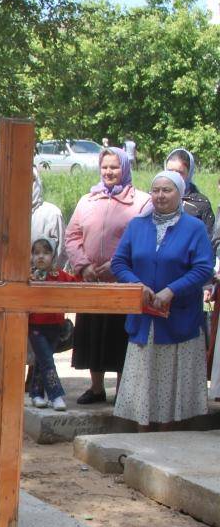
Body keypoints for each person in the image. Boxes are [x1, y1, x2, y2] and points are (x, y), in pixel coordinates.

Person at [111, 171, 213, 430]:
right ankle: (142, 438)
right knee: (143, 387)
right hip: (144, 320)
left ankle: (165, 440)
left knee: (169, 390)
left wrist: (172, 290)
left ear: (180, 193)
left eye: (167, 190)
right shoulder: (137, 225)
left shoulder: (194, 228)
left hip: (179, 319)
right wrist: (137, 285)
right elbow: (119, 262)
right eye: (155, 190)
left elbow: (204, 268)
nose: (160, 195)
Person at [64, 147, 150, 405]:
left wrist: (117, 265)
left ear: (125, 168)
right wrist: (83, 266)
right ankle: (96, 388)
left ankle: (123, 389)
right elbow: (72, 236)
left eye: (114, 167)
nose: (109, 172)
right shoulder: (87, 200)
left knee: (119, 335)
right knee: (92, 333)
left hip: (123, 282)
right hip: (91, 281)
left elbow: (143, 239)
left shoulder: (141, 202)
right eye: (105, 167)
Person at [28, 237, 77, 411]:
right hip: (35, 327)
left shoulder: (60, 276)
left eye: (46, 253)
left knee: (42, 360)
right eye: (36, 253)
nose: (41, 256)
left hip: (55, 326)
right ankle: (55, 395)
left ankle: (36, 393)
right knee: (47, 361)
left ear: (53, 255)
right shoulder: (28, 277)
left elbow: (76, 284)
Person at [0, 166, 67, 267]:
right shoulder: (1, 214)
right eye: (18, 180)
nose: (23, 186)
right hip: (7, 274)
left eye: (29, 180)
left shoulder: (52, 215)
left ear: (36, 182)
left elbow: (61, 256)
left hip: (44, 276)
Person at [165, 148, 214, 234]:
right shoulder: (154, 198)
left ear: (189, 173)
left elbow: (209, 238)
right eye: (170, 171)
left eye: (179, 172)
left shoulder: (200, 203)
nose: (174, 176)